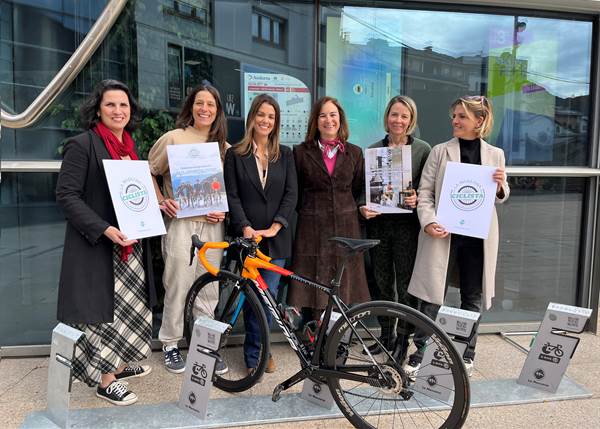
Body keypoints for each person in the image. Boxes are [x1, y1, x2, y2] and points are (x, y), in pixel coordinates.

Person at [56, 79, 156, 406]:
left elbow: (134, 196)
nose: (118, 110)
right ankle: (104, 380)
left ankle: (117, 365)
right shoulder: (83, 144)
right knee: (98, 315)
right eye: (111, 104)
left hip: (128, 246)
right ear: (98, 108)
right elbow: (67, 196)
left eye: (123, 105)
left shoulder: (129, 147)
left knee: (125, 312)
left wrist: (154, 207)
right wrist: (103, 229)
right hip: (98, 245)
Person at [407, 95, 510, 376]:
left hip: (477, 238)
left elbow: (500, 196)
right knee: (431, 297)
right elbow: (425, 192)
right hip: (443, 235)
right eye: (454, 116)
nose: (455, 121)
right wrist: (428, 222)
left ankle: (466, 351)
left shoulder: (495, 154)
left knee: (471, 296)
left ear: (479, 121)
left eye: (462, 117)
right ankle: (421, 351)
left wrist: (500, 186)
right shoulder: (440, 151)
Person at [148, 83, 229, 374]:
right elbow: (148, 172)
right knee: (178, 281)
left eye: (211, 104)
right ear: (191, 107)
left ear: (218, 111)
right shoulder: (173, 138)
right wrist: (162, 201)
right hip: (181, 223)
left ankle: (206, 344)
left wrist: (223, 208)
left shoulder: (224, 147)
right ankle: (170, 343)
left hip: (212, 227)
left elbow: (229, 189)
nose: (205, 109)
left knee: (209, 286)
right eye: (199, 103)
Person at [224, 94, 298, 375]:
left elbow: (292, 194)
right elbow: (232, 195)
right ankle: (254, 355)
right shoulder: (236, 154)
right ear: (252, 117)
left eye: (271, 116)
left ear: (276, 121)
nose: (266, 120)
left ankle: (262, 349)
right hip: (248, 238)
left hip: (276, 239)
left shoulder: (286, 154)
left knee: (268, 298)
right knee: (252, 297)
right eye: (261, 114)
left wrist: (277, 225)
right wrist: (245, 227)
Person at [359, 96, 431, 356]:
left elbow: (431, 188)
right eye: (394, 115)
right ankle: (386, 336)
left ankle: (403, 340)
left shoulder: (423, 150)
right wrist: (362, 208)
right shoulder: (374, 149)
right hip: (379, 225)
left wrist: (417, 198)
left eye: (404, 116)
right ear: (386, 117)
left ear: (411, 120)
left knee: (406, 284)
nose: (398, 120)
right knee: (381, 282)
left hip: (407, 228)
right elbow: (362, 191)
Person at [288, 96, 370, 323]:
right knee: (312, 279)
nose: (328, 120)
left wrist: (361, 206)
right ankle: (311, 332)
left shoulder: (354, 152)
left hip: (346, 224)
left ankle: (340, 334)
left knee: (344, 281)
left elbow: (359, 188)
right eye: (322, 115)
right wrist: (309, 211)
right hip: (311, 227)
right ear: (315, 120)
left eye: (333, 114)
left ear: (340, 119)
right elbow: (295, 191)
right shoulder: (301, 152)